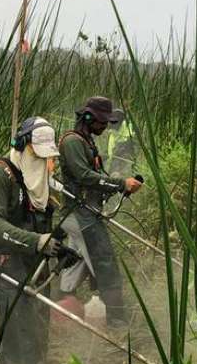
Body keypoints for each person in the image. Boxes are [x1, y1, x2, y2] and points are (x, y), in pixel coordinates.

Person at [0, 116, 63, 364]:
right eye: (37, 155)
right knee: (23, 334)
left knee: (36, 329)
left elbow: (41, 218)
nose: (43, 162)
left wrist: (57, 244)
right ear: (23, 145)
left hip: (36, 264)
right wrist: (35, 241)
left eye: (46, 157)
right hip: (7, 265)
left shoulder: (39, 177)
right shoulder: (0, 175)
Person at [57, 97, 142, 327]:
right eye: (103, 122)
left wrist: (119, 186)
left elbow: (97, 179)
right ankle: (117, 322)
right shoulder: (72, 142)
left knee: (75, 262)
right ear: (88, 117)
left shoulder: (87, 142)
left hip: (87, 212)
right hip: (79, 214)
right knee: (105, 264)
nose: (106, 127)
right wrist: (120, 183)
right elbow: (84, 177)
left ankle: (60, 308)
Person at [106, 108, 136, 176]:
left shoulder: (128, 126)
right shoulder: (112, 133)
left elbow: (130, 140)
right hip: (115, 155)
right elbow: (111, 151)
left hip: (126, 152)